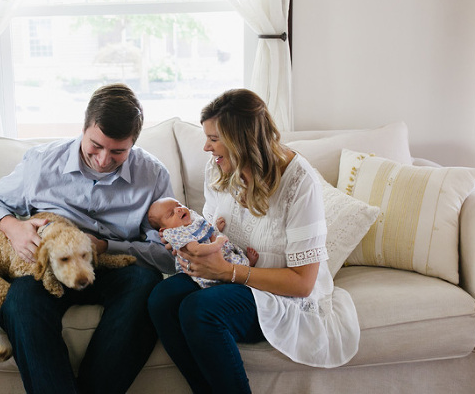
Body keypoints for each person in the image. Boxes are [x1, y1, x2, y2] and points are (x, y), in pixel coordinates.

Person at [147, 88, 360, 394]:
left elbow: (302, 284)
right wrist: (186, 244)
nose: (206, 147)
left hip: (279, 292)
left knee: (199, 310)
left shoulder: (299, 183)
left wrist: (228, 272)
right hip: (227, 275)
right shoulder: (219, 168)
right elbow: (211, 230)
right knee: (162, 298)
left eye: (214, 138)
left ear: (242, 140)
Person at [0, 83, 175, 394]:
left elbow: (167, 255)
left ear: (133, 144)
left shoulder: (153, 175)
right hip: (51, 269)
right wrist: (12, 227)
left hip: (114, 269)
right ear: (83, 128)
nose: (103, 159)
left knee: (146, 285)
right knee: (18, 300)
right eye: (95, 145)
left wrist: (107, 246)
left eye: (118, 151)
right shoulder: (42, 162)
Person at [147, 197, 258, 288]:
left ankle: (246, 266)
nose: (179, 209)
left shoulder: (191, 220)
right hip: (203, 263)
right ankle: (247, 267)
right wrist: (217, 244)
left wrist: (215, 228)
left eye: (178, 205)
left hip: (216, 251)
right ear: (163, 230)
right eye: (171, 214)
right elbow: (196, 250)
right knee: (228, 262)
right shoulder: (175, 233)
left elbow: (206, 231)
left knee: (230, 254)